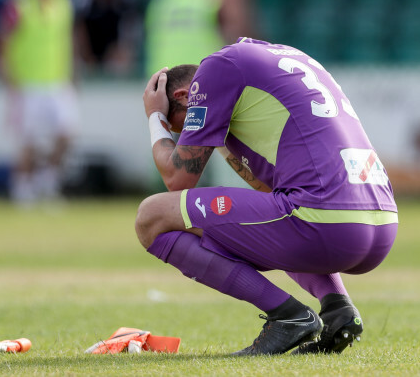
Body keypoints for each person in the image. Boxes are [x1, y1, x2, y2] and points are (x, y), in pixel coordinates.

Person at [136, 37, 398, 356]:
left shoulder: (218, 68)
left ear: (182, 96)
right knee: (273, 210)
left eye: (182, 127)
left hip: (326, 222)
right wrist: (215, 132)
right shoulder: (282, 58)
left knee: (151, 217)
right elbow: (264, 187)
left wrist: (156, 118)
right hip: (381, 225)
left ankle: (287, 316)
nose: (185, 135)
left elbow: (177, 177)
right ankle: (338, 309)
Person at [0, 0, 78, 205]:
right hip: (28, 83)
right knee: (27, 139)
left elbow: (69, 40)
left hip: (57, 81)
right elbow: (2, 41)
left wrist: (74, 75)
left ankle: (47, 181)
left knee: (67, 132)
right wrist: (9, 78)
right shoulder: (19, 4)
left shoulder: (63, 2)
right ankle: (23, 188)